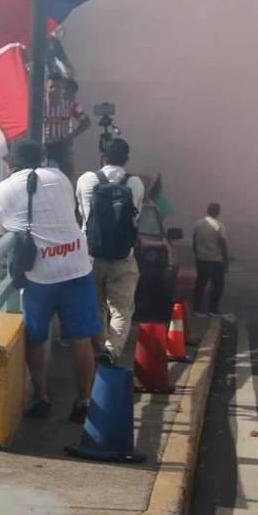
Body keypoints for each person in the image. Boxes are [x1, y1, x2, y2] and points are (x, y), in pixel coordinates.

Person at [0, 138, 101, 422]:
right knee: (81, 339)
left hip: (40, 274)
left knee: (37, 339)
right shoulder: (60, 178)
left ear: (9, 163)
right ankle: (84, 401)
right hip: (76, 266)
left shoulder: (0, 191)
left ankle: (42, 398)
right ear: (41, 159)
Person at [76, 138, 145, 359]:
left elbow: (82, 214)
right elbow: (136, 216)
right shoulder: (136, 184)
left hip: (91, 255)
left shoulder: (86, 180)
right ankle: (111, 352)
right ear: (126, 159)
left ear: (102, 156)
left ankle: (97, 349)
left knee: (95, 307)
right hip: (123, 256)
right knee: (122, 310)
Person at [42, 74, 90, 180]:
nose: (54, 90)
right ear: (46, 87)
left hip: (61, 145)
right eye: (51, 87)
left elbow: (86, 122)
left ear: (62, 88)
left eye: (58, 87)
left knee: (67, 174)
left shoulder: (71, 105)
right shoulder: (40, 104)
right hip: (43, 146)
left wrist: (70, 137)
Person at [193, 203, 232, 318]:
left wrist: (197, 254)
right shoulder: (219, 226)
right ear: (218, 212)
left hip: (201, 259)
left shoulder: (198, 224)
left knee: (200, 284)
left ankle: (196, 309)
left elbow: (194, 241)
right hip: (215, 260)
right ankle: (213, 309)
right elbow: (222, 243)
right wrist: (225, 258)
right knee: (218, 285)